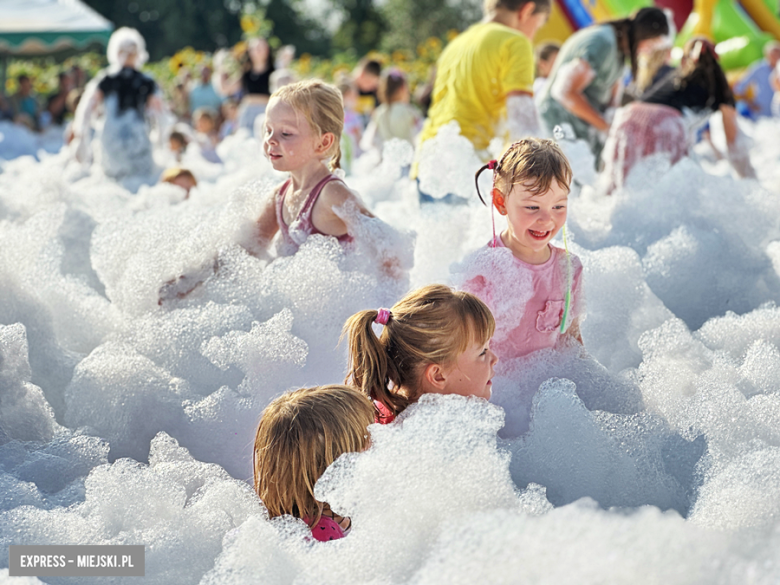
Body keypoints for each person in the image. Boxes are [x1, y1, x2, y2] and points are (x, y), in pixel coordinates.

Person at [456, 138, 583, 361]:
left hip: (547, 383)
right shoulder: (485, 269)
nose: (546, 219)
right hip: (498, 387)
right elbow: (465, 349)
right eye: (532, 207)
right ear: (501, 202)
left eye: (558, 206)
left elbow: (570, 340)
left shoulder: (569, 268)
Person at [602, 37, 755, 191]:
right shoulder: (719, 85)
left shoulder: (677, 76)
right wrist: (751, 183)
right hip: (664, 121)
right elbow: (734, 142)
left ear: (685, 57)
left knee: (618, 185)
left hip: (628, 116)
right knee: (671, 191)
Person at [255, 79, 380, 257]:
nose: (270, 140)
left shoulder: (331, 193)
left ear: (323, 143)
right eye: (268, 130)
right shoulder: (280, 195)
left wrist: (387, 283)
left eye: (285, 133)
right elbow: (247, 248)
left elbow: (387, 247)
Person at [343, 284, 498, 425]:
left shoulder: (393, 417)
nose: (495, 359)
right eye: (482, 352)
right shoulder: (428, 436)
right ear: (438, 375)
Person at [417, 0, 549, 163]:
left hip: (428, 159)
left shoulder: (456, 44)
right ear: (527, 10)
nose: (534, 35)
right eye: (539, 25)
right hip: (469, 161)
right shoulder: (514, 41)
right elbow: (522, 123)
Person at [537, 7, 670, 159]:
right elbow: (564, 91)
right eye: (651, 45)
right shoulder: (603, 42)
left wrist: (615, 121)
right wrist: (606, 128)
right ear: (642, 35)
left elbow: (612, 101)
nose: (648, 52)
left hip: (582, 128)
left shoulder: (619, 50)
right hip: (560, 123)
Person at [253, 385, 374, 542]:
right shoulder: (321, 535)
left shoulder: (333, 513)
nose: (376, 439)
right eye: (367, 437)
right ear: (335, 464)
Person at [70, 27, 162, 179]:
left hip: (116, 142)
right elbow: (161, 117)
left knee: (115, 186)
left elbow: (86, 110)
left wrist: (81, 137)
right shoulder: (145, 81)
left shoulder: (108, 79)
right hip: (133, 140)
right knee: (138, 184)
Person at [217, 37, 275, 134]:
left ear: (267, 50)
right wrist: (220, 68)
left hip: (267, 113)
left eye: (261, 48)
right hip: (247, 115)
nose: (258, 51)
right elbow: (225, 89)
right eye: (255, 48)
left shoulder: (274, 72)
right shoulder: (245, 72)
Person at [361, 68, 422, 151]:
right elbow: (421, 134)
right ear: (402, 89)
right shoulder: (409, 111)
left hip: (388, 159)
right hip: (409, 156)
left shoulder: (379, 112)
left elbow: (368, 142)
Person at [734, 40, 780, 118]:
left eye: (778, 53)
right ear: (767, 55)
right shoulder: (758, 68)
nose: (777, 56)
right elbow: (739, 87)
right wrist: (750, 104)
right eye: (774, 54)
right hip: (761, 114)